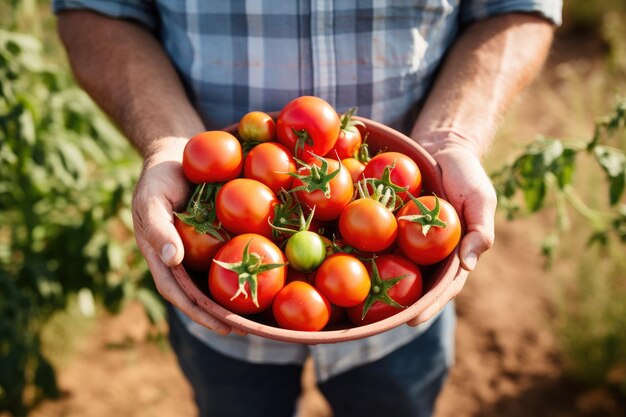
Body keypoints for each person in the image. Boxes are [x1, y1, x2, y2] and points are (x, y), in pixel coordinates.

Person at [54, 1, 560, 416]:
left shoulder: (366, 216)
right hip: (218, 301)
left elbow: (519, 7)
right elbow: (92, 9)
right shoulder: (262, 215)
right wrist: (170, 145)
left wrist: (454, 137)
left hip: (401, 307)